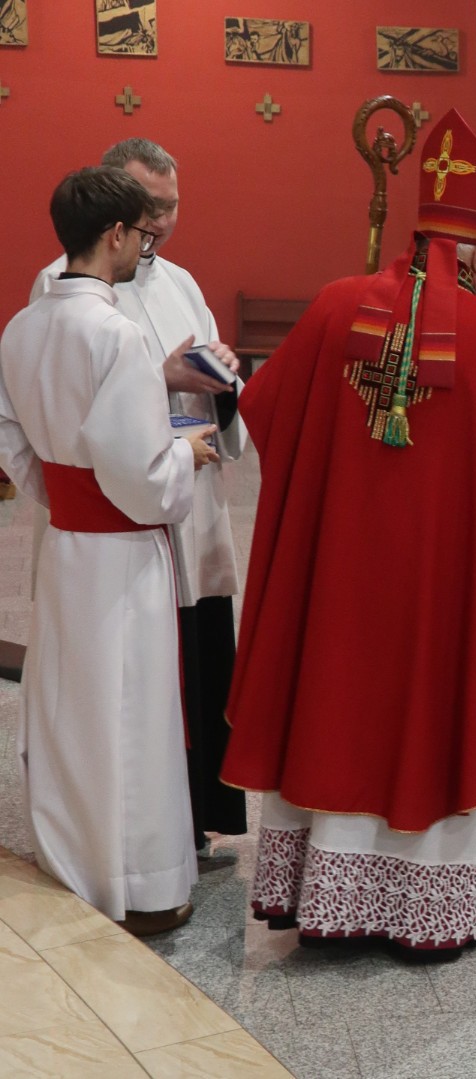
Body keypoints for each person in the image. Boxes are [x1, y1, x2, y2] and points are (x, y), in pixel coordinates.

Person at [220, 110, 476, 960]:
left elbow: (265, 412)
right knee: (439, 714)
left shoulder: (334, 306)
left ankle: (325, 905)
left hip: (338, 586)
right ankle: (420, 915)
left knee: (334, 705)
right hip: (441, 591)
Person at [0, 166, 218, 935]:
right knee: (132, 711)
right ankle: (139, 883)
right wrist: (185, 457)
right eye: (140, 236)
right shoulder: (116, 332)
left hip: (67, 546)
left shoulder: (22, 326)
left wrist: (65, 495)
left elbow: (13, 441)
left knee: (73, 706)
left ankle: (72, 859)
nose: (144, 249)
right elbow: (140, 472)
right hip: (123, 554)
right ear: (115, 234)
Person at [31, 138, 247, 864]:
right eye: (147, 206)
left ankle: (199, 818)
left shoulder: (181, 282)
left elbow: (208, 377)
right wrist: (162, 380)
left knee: (197, 659)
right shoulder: (60, 289)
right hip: (122, 513)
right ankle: (149, 835)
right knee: (140, 684)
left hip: (190, 501)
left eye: (171, 205)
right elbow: (69, 407)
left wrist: (221, 379)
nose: (159, 221)